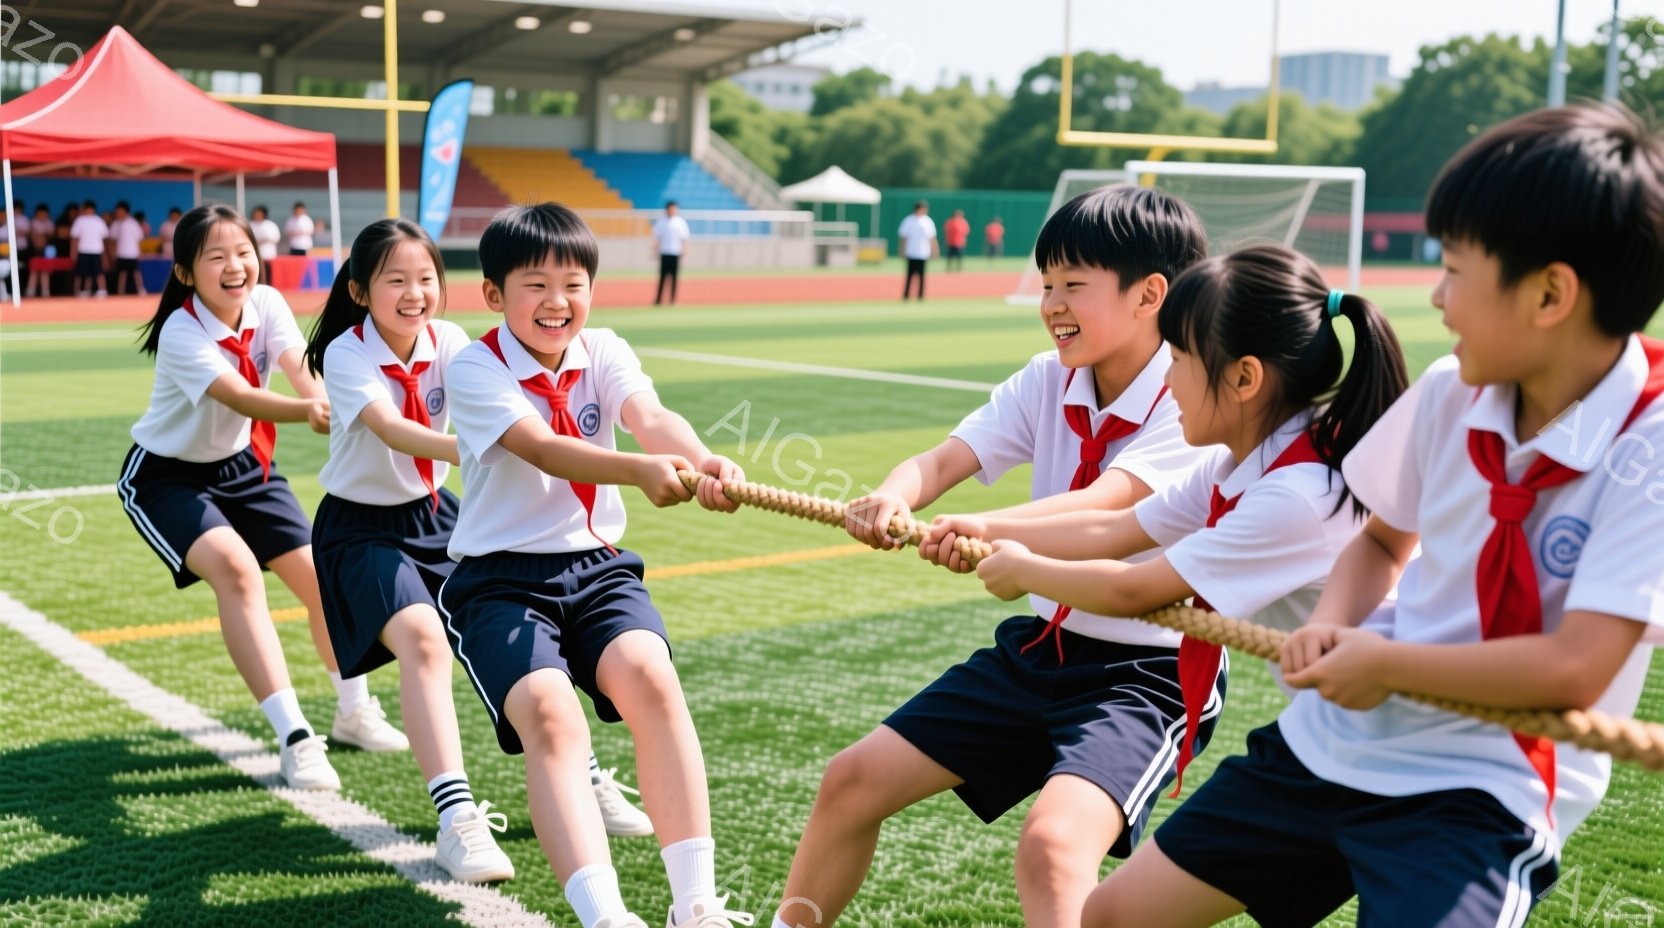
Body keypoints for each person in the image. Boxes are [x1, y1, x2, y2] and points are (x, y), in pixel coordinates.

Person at [1083, 102, 1664, 928]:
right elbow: (1384, 538)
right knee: (1112, 917)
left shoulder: (1653, 443)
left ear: (1550, 294)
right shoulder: (1449, 393)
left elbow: (1575, 667)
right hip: (1334, 741)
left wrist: (1387, 664)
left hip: (1481, 787)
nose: (1437, 298)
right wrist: (1332, 622)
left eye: (1456, 271)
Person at [773, 186, 1211, 928]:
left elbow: (1114, 506)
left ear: (1151, 295)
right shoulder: (1046, 379)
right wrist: (892, 493)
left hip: (1144, 674)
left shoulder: (1188, 392)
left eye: (1074, 285)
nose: (1052, 304)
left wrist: (992, 526)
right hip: (1039, 648)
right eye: (1046, 285)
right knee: (851, 780)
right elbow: (945, 459)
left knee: (1050, 847)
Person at [928, 244, 1407, 901]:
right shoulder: (1243, 462)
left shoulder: (1293, 495)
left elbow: (1135, 587)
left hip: (1409, 750)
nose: (1169, 381)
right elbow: (1115, 531)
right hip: (1330, 735)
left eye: (1179, 361)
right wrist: (987, 528)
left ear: (1243, 380)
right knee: (1112, 914)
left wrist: (1024, 571)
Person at [440, 202, 748, 927]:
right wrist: (642, 470)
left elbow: (652, 417)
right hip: (499, 582)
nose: (558, 302)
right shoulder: (475, 365)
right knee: (553, 718)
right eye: (536, 285)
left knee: (652, 677)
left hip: (598, 569)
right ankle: (605, 916)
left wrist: (701, 457)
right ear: (493, 295)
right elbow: (543, 447)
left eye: (574, 284)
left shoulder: (605, 349)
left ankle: (695, 905)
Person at [120, 204, 408, 794]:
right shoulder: (182, 330)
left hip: (246, 468)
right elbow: (240, 397)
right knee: (238, 572)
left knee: (322, 581)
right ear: (185, 274)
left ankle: (353, 710)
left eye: (244, 251)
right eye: (216, 256)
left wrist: (326, 398)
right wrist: (310, 410)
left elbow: (297, 367)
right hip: (167, 478)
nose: (235, 265)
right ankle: (295, 737)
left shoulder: (269, 303)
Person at [304, 218, 516, 882]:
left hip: (441, 516)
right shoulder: (347, 353)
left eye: (426, 278)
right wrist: (492, 446)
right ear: (362, 291)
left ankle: (583, 773)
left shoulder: (451, 340)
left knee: (513, 628)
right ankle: (457, 821)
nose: (415, 292)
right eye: (396, 279)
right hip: (362, 529)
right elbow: (395, 431)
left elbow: (503, 393)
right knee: (423, 641)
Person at [652, 201, 690, 307]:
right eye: (670, 208)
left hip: (675, 253)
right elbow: (657, 238)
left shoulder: (680, 222)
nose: (672, 210)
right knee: (662, 277)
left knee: (674, 278)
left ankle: (672, 300)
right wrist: (655, 250)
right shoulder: (661, 222)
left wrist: (685, 250)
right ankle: (658, 300)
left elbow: (684, 238)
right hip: (664, 253)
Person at [898, 200, 937, 300]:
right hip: (911, 252)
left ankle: (920, 296)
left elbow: (932, 238)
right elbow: (903, 237)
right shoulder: (909, 220)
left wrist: (935, 250)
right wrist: (902, 251)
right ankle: (906, 296)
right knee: (910, 276)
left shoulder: (928, 221)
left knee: (922, 276)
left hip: (923, 252)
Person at [70, 200, 109, 298]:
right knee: (82, 272)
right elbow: (74, 238)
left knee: (98, 271)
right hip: (83, 250)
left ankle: (102, 290)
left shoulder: (98, 221)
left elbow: (105, 238)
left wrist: (105, 255)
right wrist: (73, 252)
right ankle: (82, 290)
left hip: (96, 250)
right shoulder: (80, 220)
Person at [109, 201, 147, 296]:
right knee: (122, 273)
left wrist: (139, 251)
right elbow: (112, 239)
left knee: (135, 272)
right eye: (117, 211)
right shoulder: (116, 224)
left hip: (132, 253)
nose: (118, 213)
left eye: (120, 211)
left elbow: (140, 238)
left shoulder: (133, 223)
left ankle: (141, 289)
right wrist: (113, 252)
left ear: (126, 211)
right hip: (121, 253)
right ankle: (121, 291)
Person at [251, 205, 283, 285]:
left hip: (268, 254)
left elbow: (276, 237)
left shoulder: (270, 225)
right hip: (255, 254)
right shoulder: (251, 225)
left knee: (268, 273)